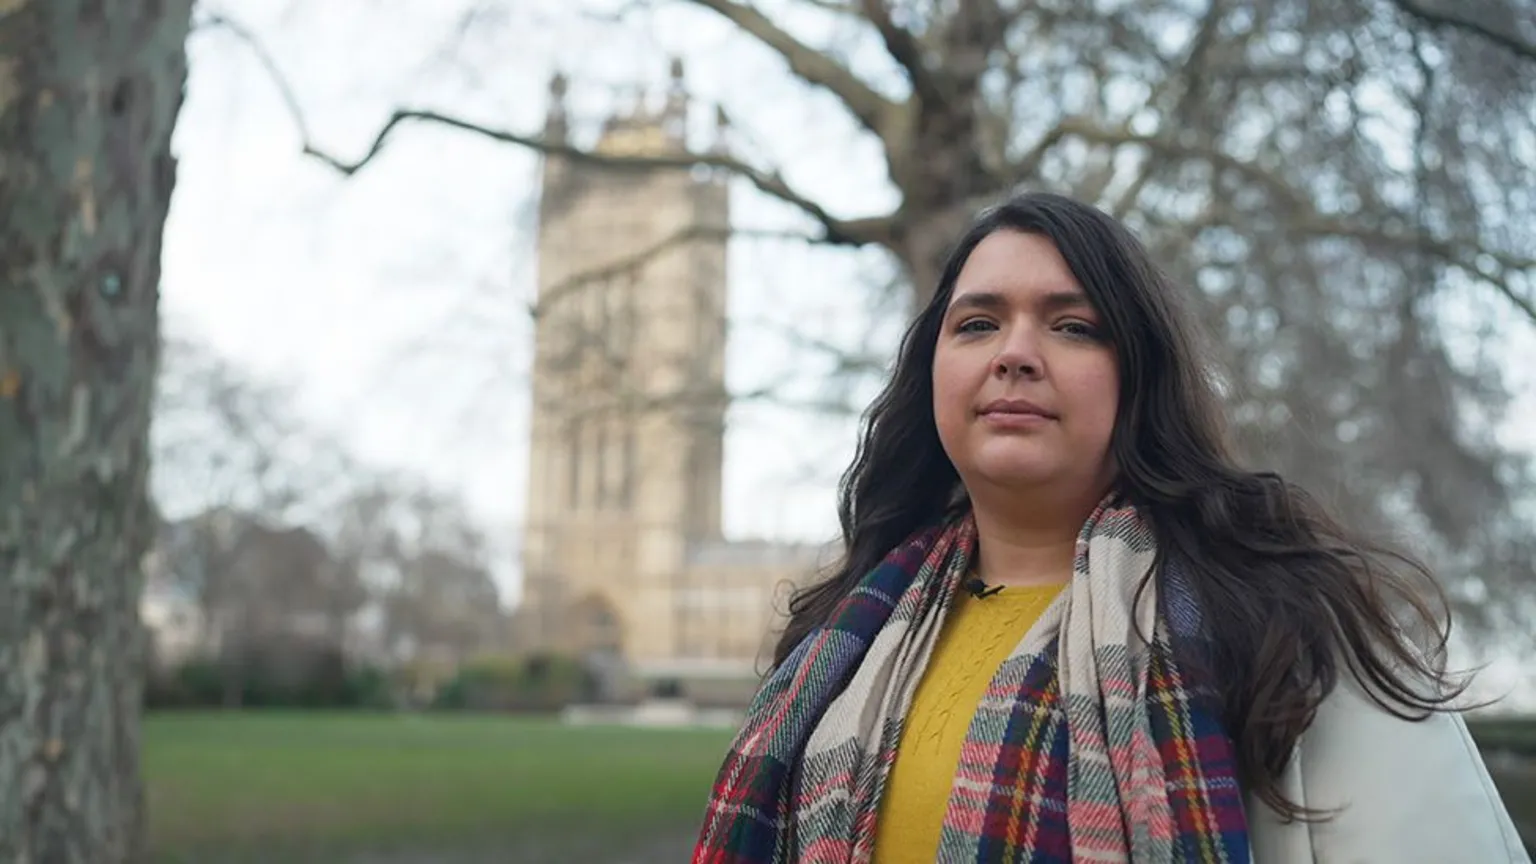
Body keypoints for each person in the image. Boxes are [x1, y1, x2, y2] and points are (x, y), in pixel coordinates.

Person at [691, 192, 1528, 863]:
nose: (1014, 353)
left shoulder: (1285, 622)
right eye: (978, 323)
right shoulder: (843, 638)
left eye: (1072, 326)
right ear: (931, 374)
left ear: (1139, 376)